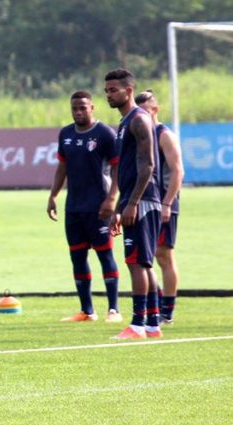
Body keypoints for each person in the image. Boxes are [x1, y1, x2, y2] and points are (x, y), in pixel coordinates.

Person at [47, 91, 123, 324]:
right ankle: (87, 311)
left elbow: (117, 169)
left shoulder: (105, 134)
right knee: (77, 257)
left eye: (83, 107)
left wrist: (112, 200)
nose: (78, 112)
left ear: (92, 107)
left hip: (99, 206)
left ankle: (114, 309)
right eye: (75, 108)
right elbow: (62, 167)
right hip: (74, 207)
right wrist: (53, 195)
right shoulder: (66, 134)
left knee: (105, 255)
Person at [104, 69, 163, 339]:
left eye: (113, 90)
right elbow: (126, 168)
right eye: (106, 91)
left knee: (136, 262)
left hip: (143, 200)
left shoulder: (139, 119)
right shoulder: (125, 122)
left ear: (129, 91)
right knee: (143, 262)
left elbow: (148, 164)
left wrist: (133, 203)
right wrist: (120, 206)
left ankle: (138, 324)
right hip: (133, 199)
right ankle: (152, 324)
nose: (109, 95)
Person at [135, 90, 184, 324]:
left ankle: (167, 311)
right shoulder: (141, 134)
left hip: (164, 202)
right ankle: (155, 306)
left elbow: (177, 171)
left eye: (145, 110)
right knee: (145, 256)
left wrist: (167, 203)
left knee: (163, 255)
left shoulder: (164, 135)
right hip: (147, 202)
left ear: (155, 109)